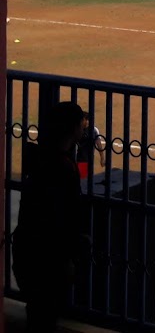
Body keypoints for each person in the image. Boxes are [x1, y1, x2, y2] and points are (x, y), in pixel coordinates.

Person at [13, 101, 91, 332]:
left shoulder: (39, 158)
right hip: (48, 260)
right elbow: (64, 217)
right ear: (72, 128)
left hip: (27, 252)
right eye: (80, 123)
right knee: (44, 315)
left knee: (37, 313)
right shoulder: (63, 167)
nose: (84, 127)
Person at [74, 113, 106, 180]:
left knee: (83, 179)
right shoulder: (78, 129)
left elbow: (99, 145)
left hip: (86, 159)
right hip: (79, 158)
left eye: (83, 120)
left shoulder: (93, 130)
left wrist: (102, 158)